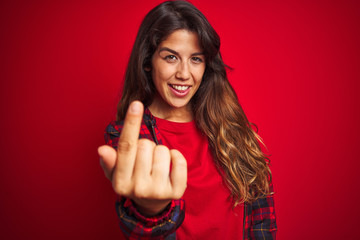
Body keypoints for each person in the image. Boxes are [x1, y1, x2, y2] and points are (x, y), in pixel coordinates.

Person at [98, 1, 277, 239]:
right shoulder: (129, 138)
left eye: (196, 59)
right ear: (148, 62)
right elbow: (140, 229)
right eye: (171, 57)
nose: (184, 73)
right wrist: (151, 211)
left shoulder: (231, 126)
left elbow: (261, 216)